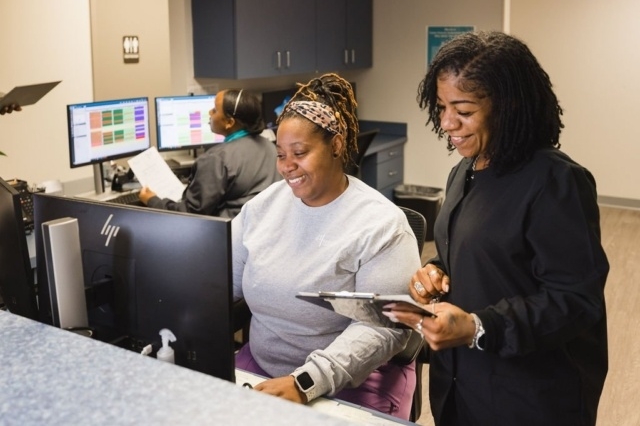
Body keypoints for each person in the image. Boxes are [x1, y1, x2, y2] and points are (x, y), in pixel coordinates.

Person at [384, 31, 609, 426]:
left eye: (464, 110)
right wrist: (436, 269)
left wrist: (477, 327)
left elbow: (575, 301)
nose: (448, 123)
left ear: (508, 106)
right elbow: (480, 251)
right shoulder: (464, 171)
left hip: (528, 397)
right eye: (441, 107)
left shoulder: (555, 183)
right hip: (460, 384)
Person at [232, 73, 421, 420]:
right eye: (280, 154)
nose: (287, 167)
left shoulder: (381, 225)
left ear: (335, 146)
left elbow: (383, 326)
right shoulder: (262, 209)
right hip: (261, 368)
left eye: (300, 153)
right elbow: (216, 280)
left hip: (350, 380)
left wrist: (306, 381)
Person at [139, 89, 281, 218]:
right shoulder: (270, 146)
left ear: (229, 122)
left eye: (214, 110)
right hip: (260, 231)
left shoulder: (216, 159)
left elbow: (190, 214)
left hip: (228, 236)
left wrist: (153, 201)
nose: (210, 113)